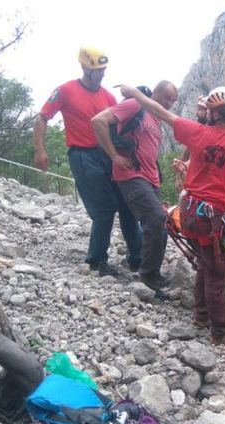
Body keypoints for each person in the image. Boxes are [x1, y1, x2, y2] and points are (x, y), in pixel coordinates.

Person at [119, 84, 225, 348]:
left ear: (213, 113)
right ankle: (221, 331)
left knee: (205, 263)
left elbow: (161, 112)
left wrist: (135, 94)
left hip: (189, 210)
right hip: (211, 216)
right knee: (217, 275)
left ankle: (201, 316)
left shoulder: (197, 132)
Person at [32, 47, 141, 277]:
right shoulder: (65, 90)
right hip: (82, 155)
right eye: (96, 70)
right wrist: (40, 149)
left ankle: (138, 258)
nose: (100, 74)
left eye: (102, 70)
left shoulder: (108, 97)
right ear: (84, 68)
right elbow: (42, 117)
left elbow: (116, 126)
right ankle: (96, 260)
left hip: (107, 153)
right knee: (104, 209)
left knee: (126, 204)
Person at [91, 81, 179, 295]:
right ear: (155, 92)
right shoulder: (135, 105)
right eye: (167, 98)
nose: (169, 104)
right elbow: (99, 120)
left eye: (173, 101)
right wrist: (114, 156)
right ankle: (148, 274)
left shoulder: (156, 120)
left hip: (150, 179)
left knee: (159, 221)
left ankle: (147, 268)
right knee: (155, 218)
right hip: (131, 175)